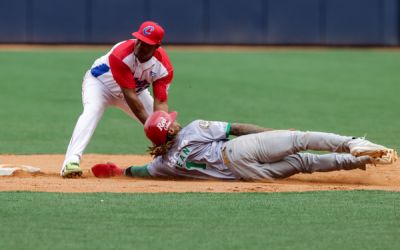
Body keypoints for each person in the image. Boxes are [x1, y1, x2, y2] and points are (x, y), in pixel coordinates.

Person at [91, 111, 398, 181]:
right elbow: (237, 129)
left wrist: (120, 170)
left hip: (247, 175)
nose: (174, 120)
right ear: (170, 128)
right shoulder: (194, 129)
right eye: (170, 121)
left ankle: (362, 162)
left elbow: (140, 170)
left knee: (303, 162)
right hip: (239, 151)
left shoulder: (163, 165)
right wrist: (274, 133)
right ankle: (355, 145)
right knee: (299, 140)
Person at [61, 21, 174, 178]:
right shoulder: (121, 54)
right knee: (92, 111)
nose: (140, 45)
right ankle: (70, 162)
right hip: (100, 85)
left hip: (136, 91)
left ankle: (173, 163)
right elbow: (130, 96)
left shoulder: (163, 67)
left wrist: (161, 130)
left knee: (166, 127)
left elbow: (161, 103)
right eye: (139, 39)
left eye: (147, 44)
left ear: (156, 47)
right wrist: (153, 130)